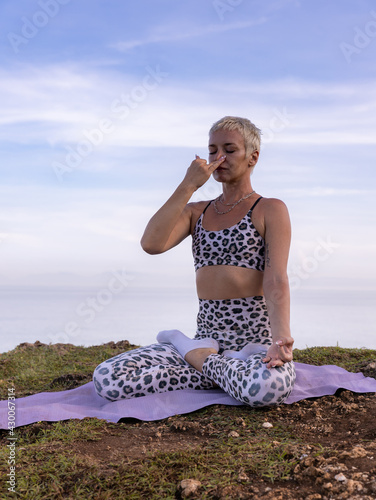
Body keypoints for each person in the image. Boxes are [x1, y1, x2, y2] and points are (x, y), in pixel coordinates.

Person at [93, 116, 295, 407]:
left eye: (229, 149)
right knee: (108, 377)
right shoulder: (196, 212)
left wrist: (280, 340)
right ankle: (218, 370)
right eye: (212, 150)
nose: (218, 157)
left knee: (267, 388)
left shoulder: (269, 209)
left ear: (253, 157)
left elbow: (276, 279)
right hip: (206, 339)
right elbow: (151, 244)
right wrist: (188, 185)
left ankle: (203, 365)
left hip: (254, 344)